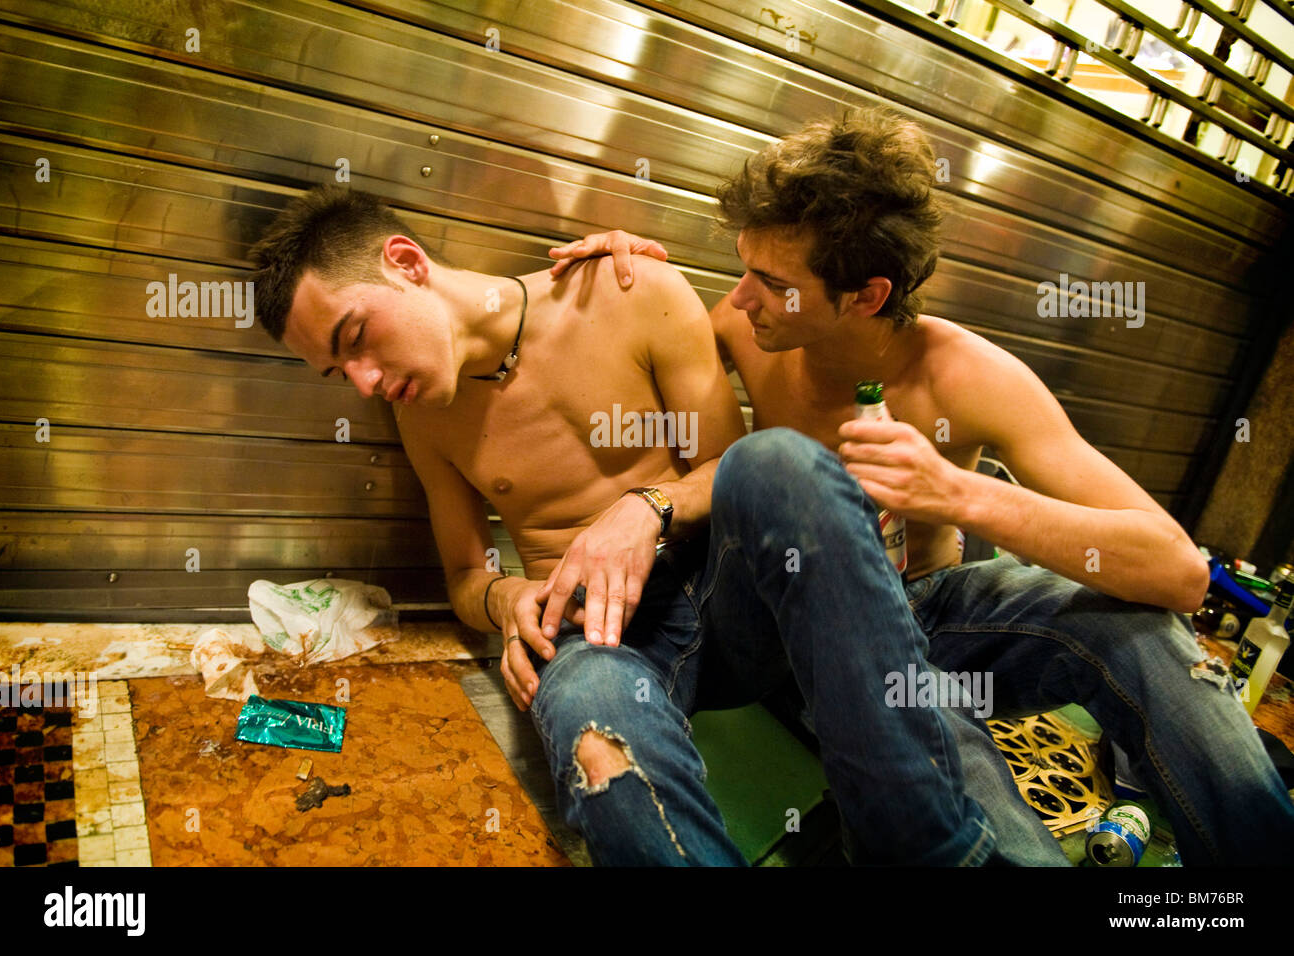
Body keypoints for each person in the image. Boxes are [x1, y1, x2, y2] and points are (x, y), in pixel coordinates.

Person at [550, 108, 1294, 865]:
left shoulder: (967, 376)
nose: (741, 297)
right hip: (801, 631)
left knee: (1138, 633)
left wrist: (958, 493)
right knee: (951, 745)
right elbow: (639, 347)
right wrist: (628, 281)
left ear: (868, 295)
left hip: (931, 609)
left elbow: (1177, 571)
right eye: (742, 268)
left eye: (772, 282)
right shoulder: (748, 327)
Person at [248, 184, 1049, 866]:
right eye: (337, 371)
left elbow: (736, 480)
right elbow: (464, 575)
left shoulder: (628, 293)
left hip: (728, 597)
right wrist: (505, 600)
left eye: (356, 338)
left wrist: (646, 506)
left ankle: (924, 850)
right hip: (599, 636)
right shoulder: (423, 413)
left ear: (407, 263)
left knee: (781, 463)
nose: (364, 381)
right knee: (602, 750)